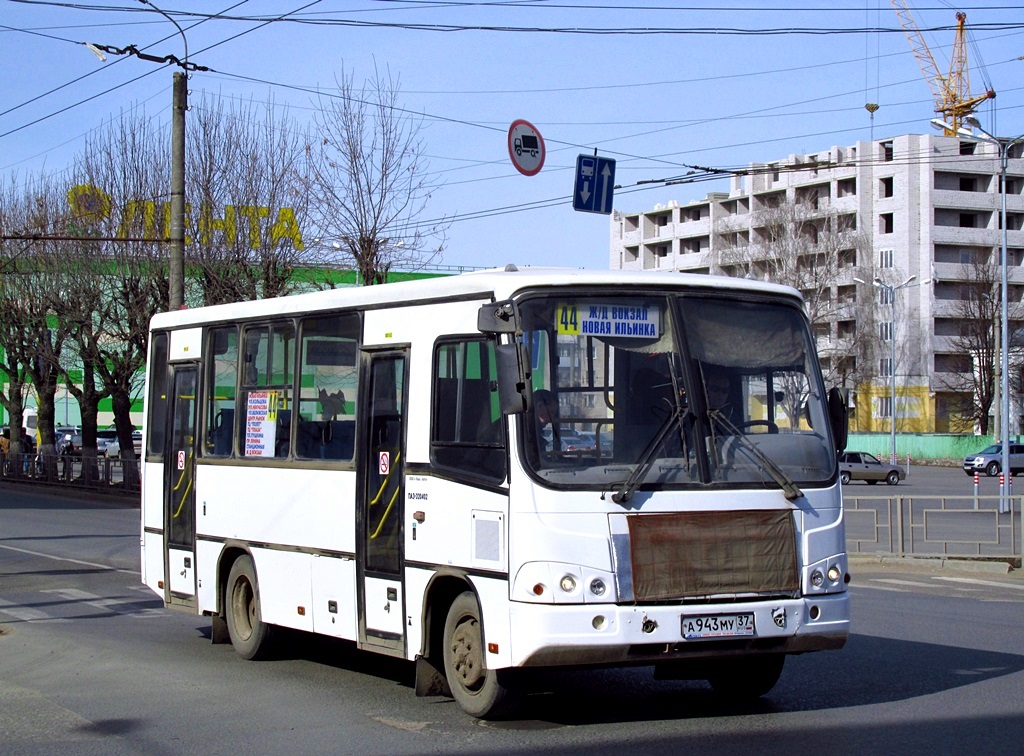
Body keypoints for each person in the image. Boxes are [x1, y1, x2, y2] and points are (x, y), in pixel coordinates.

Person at [532, 389, 561, 460]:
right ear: (539, 406)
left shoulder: (531, 431)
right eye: (551, 412)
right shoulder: (525, 434)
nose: (552, 419)